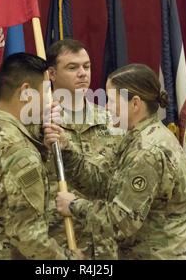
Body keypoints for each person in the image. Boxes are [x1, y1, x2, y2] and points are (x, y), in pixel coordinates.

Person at [46, 64, 186, 259]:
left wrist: (74, 205)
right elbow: (104, 183)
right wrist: (65, 148)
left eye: (111, 100)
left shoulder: (148, 150)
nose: (106, 107)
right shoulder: (136, 138)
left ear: (135, 104)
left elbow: (122, 221)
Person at [0, 53, 81, 260]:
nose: (51, 101)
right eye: (46, 92)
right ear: (27, 93)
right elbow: (27, 235)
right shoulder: (20, 153)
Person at [34, 39, 123, 259]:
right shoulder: (37, 121)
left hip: (104, 241)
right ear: (52, 74)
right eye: (72, 67)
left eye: (87, 66)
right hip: (59, 240)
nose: (83, 73)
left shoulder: (108, 118)